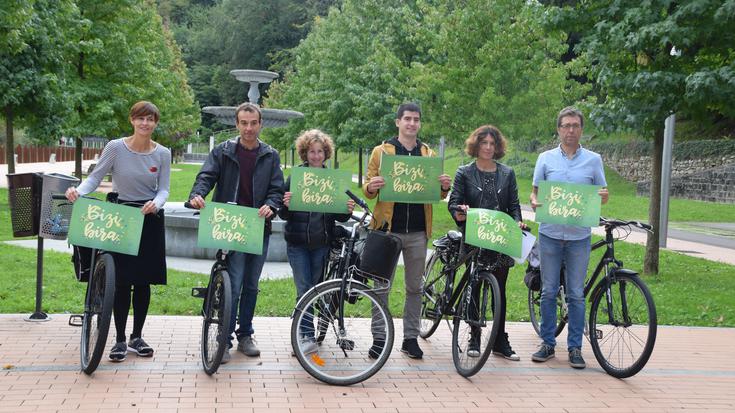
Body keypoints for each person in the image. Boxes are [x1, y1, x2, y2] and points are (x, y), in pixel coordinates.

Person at [65, 101, 171, 362]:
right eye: (140, 119)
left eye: (150, 119)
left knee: (144, 281)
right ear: (132, 120)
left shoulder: (163, 153)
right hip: (120, 215)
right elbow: (95, 177)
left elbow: (164, 189)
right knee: (121, 279)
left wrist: (156, 204)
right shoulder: (115, 148)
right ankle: (120, 339)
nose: (145, 124)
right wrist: (79, 191)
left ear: (156, 123)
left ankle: (138, 336)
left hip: (148, 216)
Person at [188, 102, 284, 363]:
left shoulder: (271, 155)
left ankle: (245, 335)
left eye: (253, 123)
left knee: (251, 285)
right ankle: (224, 338)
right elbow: (206, 176)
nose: (249, 128)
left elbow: (277, 189)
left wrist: (272, 204)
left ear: (260, 124)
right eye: (244, 123)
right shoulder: (223, 151)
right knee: (236, 282)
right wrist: (197, 194)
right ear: (237, 124)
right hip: (230, 225)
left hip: (257, 226)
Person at [362, 102, 451, 359]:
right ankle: (379, 338)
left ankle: (410, 338)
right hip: (387, 230)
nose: (412, 123)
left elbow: (437, 193)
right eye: (407, 119)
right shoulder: (382, 152)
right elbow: (368, 188)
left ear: (419, 123)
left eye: (416, 119)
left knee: (415, 287)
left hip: (417, 231)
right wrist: (372, 186)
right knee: (381, 287)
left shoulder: (429, 155)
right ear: (398, 122)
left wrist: (444, 186)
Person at [530, 106, 609, 369]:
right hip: (550, 234)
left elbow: (603, 192)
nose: (571, 130)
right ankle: (548, 343)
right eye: (566, 125)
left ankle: (575, 348)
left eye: (575, 125)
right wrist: (534, 201)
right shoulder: (545, 158)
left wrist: (603, 197)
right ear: (559, 129)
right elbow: (535, 192)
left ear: (581, 129)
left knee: (576, 293)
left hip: (578, 237)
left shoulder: (594, 160)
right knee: (549, 291)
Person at [448, 125, 526, 361]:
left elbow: (514, 206)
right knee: (474, 285)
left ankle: (500, 340)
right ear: (476, 145)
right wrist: (460, 211)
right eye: (484, 143)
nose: (489, 148)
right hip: (475, 236)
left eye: (493, 144)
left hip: (501, 238)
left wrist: (518, 222)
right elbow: (454, 203)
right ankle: (474, 335)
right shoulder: (464, 172)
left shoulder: (507, 173)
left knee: (499, 290)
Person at [278, 129, 355, 353]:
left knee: (315, 289)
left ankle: (305, 334)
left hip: (321, 243)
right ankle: (305, 337)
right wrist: (286, 204)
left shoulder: (332, 180)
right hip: (297, 243)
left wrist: (347, 210)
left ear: (326, 153)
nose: (316, 156)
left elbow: (338, 215)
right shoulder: (295, 178)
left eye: (320, 151)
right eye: (311, 151)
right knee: (304, 289)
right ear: (305, 153)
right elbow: (283, 214)